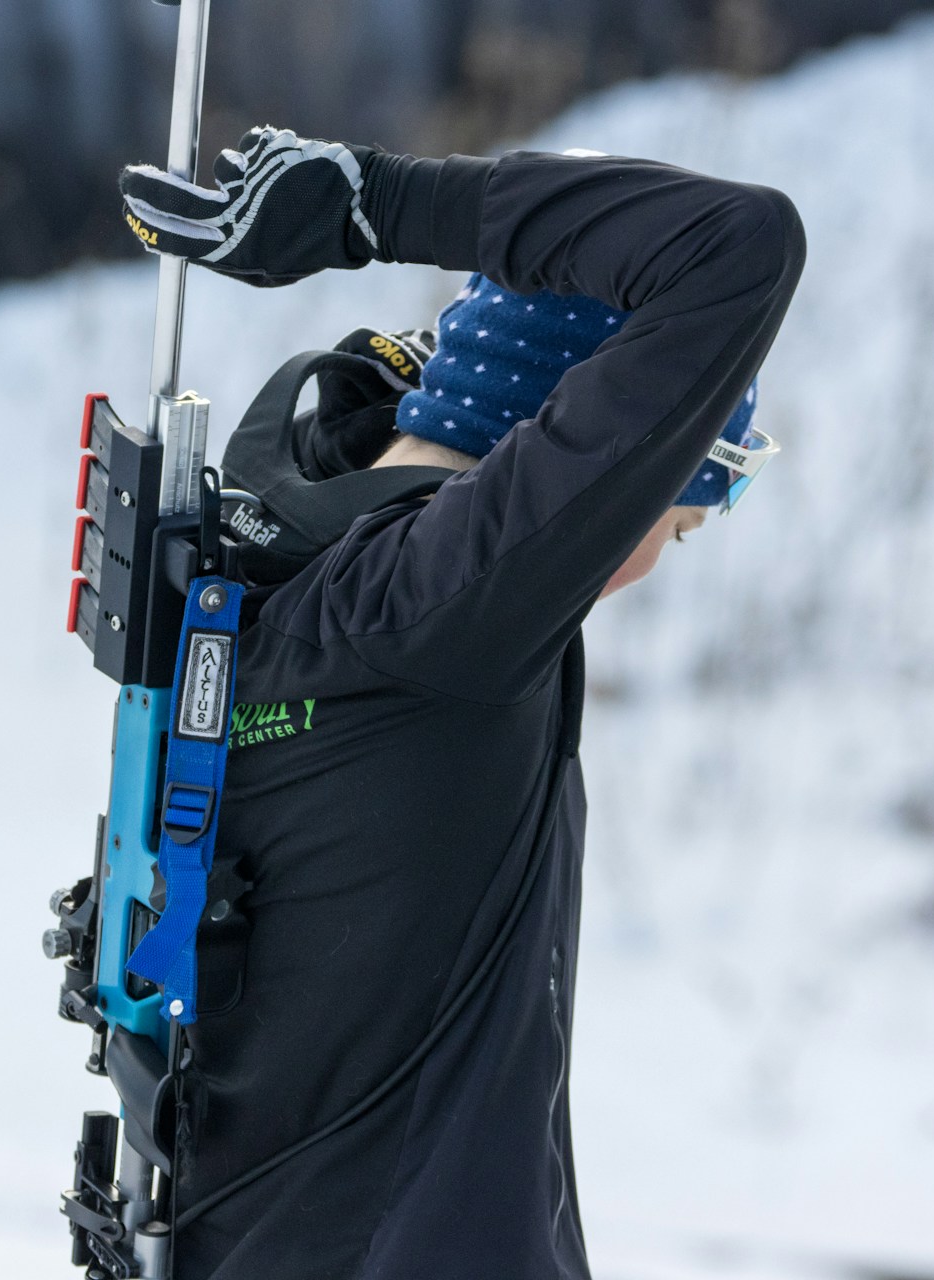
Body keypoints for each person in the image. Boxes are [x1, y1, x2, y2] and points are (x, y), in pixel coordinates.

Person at [118, 126, 805, 1280]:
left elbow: (438, 410)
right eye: (674, 518)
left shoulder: (275, 573)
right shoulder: (438, 612)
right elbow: (738, 243)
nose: (648, 556)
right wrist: (378, 205)